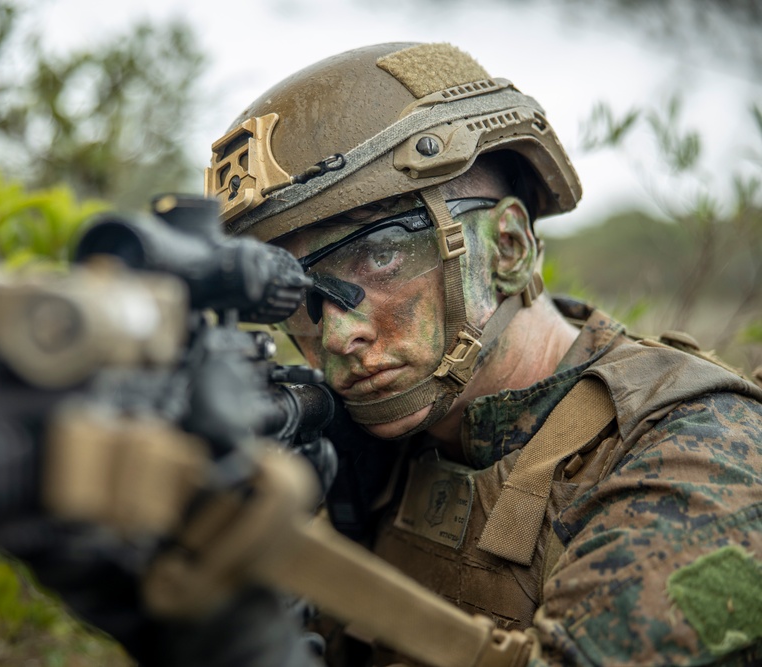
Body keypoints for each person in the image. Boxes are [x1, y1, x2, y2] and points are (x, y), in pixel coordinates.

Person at [200, 42, 762, 666]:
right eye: (297, 296)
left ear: (510, 247)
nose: (337, 337)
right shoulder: (364, 447)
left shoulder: (698, 457)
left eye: (380, 254)